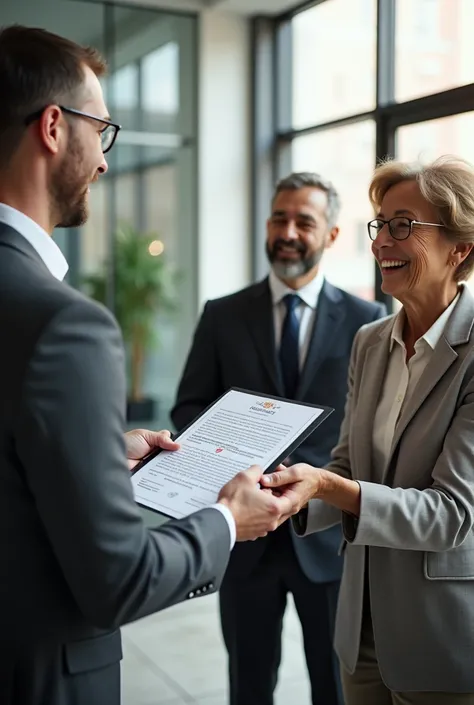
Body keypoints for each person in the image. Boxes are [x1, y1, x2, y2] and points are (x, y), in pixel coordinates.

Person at [0, 25, 295, 705]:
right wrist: (229, 519)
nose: (104, 162)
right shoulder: (65, 325)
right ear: (52, 127)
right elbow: (119, 578)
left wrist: (96, 449)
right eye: (100, 131)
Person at [262, 155, 474, 705]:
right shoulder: (370, 340)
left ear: (461, 249)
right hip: (359, 626)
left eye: (403, 225)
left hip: (441, 635)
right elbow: (347, 465)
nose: (382, 241)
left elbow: (450, 513)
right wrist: (293, 493)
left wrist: (327, 487)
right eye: (380, 224)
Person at [171, 172, 386, 705]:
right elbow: (189, 406)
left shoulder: (369, 320)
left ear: (332, 235)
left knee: (334, 687)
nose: (287, 231)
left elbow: (371, 425)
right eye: (278, 218)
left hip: (327, 541)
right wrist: (234, 451)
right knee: (249, 683)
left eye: (304, 221)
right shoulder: (222, 314)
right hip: (245, 541)